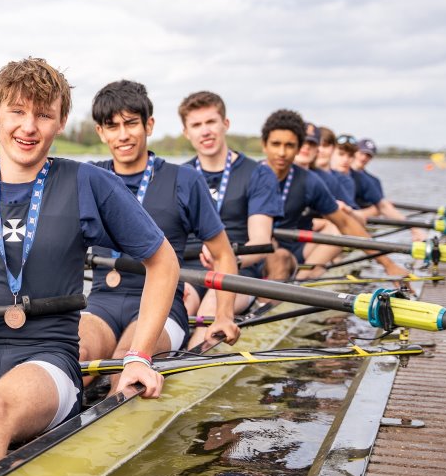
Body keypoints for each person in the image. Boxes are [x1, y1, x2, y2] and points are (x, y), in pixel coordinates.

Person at [0, 58, 180, 476]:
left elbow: (163, 261)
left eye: (44, 114)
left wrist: (138, 355)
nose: (29, 127)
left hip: (50, 356)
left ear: (60, 122)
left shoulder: (88, 184)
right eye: (18, 111)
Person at [82, 80, 241, 363]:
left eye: (131, 123)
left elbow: (223, 255)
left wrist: (224, 315)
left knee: (124, 362)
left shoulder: (185, 180)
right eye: (112, 126)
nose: (123, 135)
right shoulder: (89, 178)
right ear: (101, 132)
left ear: (149, 125)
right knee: (76, 356)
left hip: (164, 306)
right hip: (100, 302)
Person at [177, 90, 292, 329]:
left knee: (212, 309)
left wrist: (229, 259)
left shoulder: (258, 173)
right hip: (187, 271)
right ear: (187, 133)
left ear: (225, 124)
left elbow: (260, 241)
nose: (205, 130)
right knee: (180, 305)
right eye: (196, 125)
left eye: (211, 122)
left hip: (239, 269)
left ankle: (193, 360)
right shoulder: (178, 175)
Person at [264, 111, 405, 278]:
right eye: (277, 144)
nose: (282, 152)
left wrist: (389, 264)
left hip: (294, 247)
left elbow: (347, 222)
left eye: (290, 145)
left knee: (331, 229)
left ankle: (301, 279)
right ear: (264, 145)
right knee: (277, 253)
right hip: (263, 246)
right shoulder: (253, 174)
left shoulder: (315, 181)